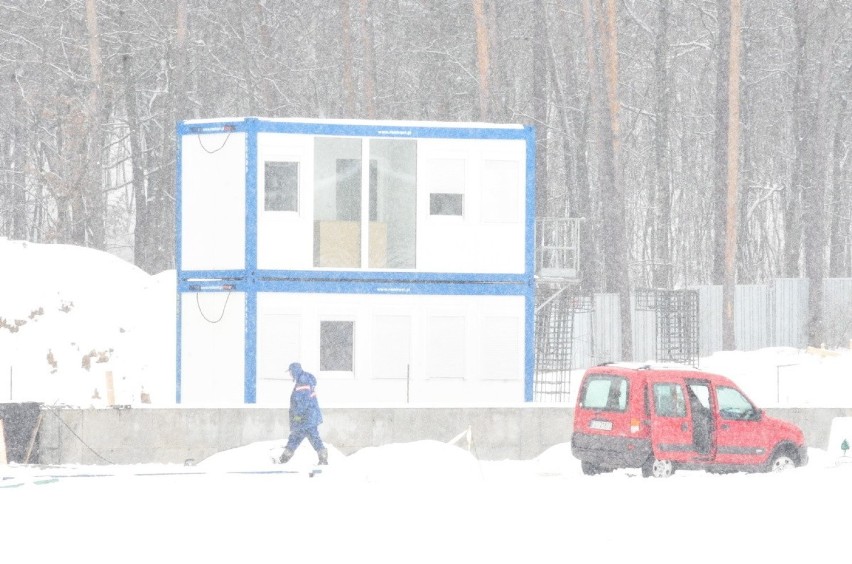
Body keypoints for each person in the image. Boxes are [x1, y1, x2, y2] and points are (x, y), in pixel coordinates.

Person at [279, 362, 328, 466]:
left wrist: (297, 417)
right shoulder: (304, 379)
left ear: (294, 371)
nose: (290, 374)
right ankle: (283, 458)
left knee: (305, 436)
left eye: (291, 372)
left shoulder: (303, 381)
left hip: (306, 417)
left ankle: (284, 458)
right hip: (308, 416)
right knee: (299, 437)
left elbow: (303, 401)